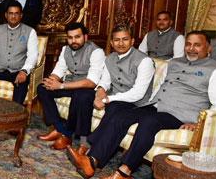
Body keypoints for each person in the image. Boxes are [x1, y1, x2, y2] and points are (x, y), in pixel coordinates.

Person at [67, 31, 216, 179]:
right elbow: (161, 87)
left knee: (148, 122)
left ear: (208, 47)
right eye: (188, 44)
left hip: (181, 115)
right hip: (157, 106)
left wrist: (199, 124)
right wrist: (149, 105)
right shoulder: (174, 63)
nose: (191, 48)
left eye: (197, 45)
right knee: (121, 116)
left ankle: (124, 173)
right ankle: (92, 161)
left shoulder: (215, 70)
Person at [65, 25, 155, 156]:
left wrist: (107, 99)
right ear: (112, 43)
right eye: (117, 40)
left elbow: (138, 93)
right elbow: (105, 82)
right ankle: (82, 141)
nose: (121, 43)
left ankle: (90, 146)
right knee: (83, 94)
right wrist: (100, 92)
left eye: (125, 39)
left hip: (137, 104)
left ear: (132, 41)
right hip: (115, 96)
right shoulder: (110, 58)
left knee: (113, 107)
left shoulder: (144, 61)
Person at [37, 22, 105, 150]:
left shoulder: (96, 52)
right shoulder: (65, 49)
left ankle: (83, 143)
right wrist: (52, 81)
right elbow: (59, 70)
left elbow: (92, 81)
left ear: (85, 37)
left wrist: (61, 86)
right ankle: (61, 130)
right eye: (70, 37)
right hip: (71, 85)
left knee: (81, 96)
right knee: (42, 88)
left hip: (88, 88)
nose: (74, 41)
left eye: (77, 37)